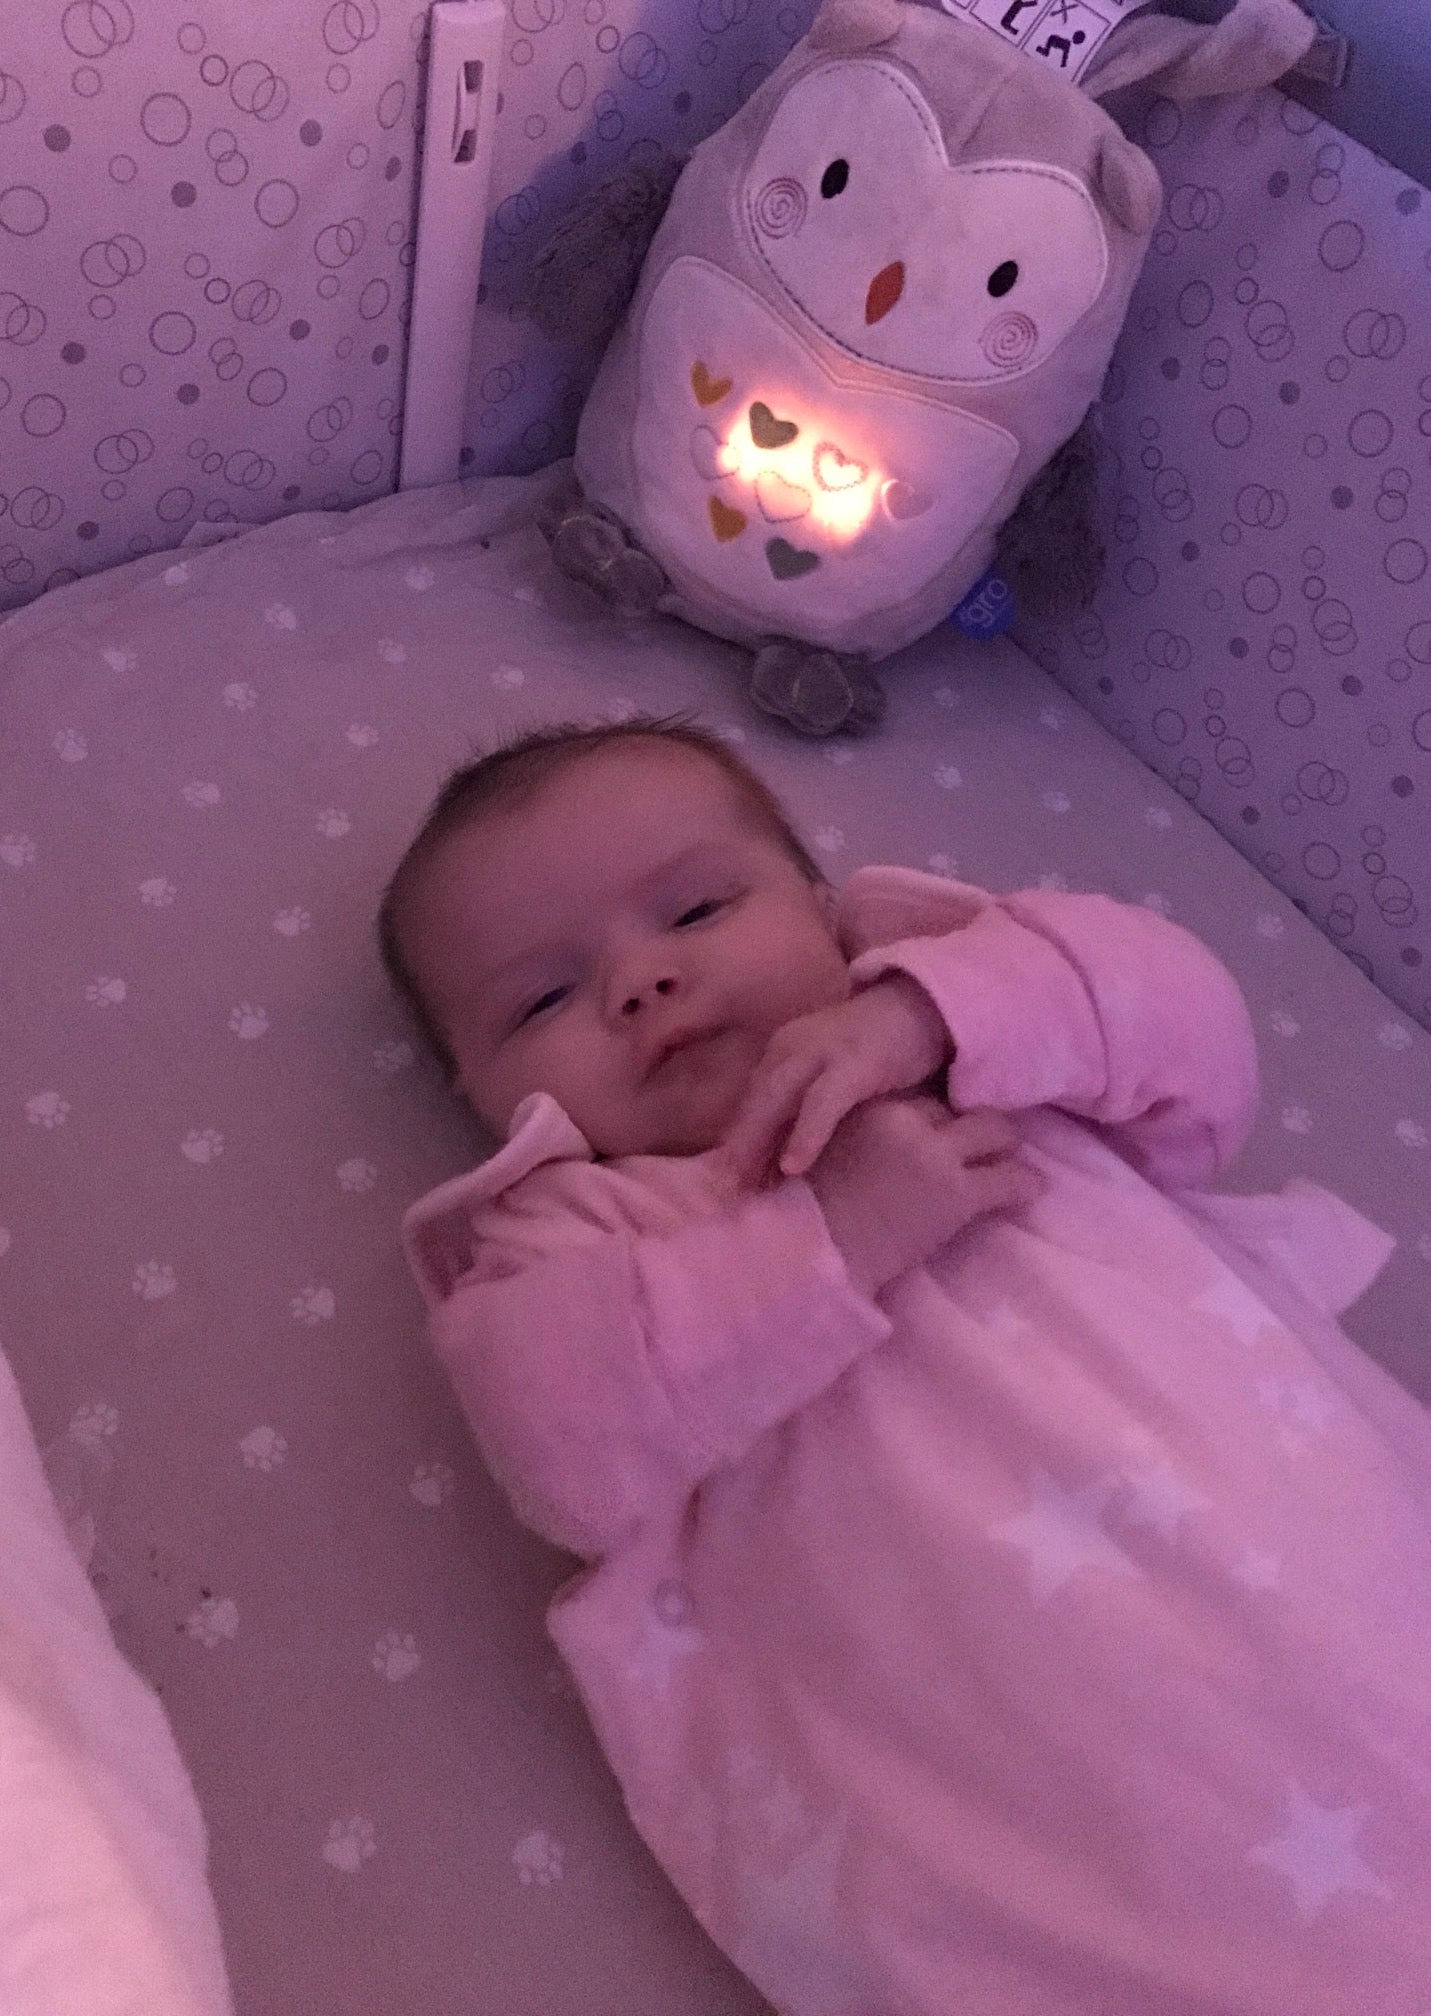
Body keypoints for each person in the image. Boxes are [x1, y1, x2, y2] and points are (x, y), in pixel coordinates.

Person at [379, 715, 1431, 2016]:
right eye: (542, 999)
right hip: (1033, 1758)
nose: (641, 982)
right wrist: (824, 1238)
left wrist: (927, 1015)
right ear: (480, 1096)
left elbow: (1196, 1032)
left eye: (698, 910)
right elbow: (559, 1449)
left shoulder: (985, 1027)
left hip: (1315, 1578)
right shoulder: (578, 1230)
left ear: (823, 907)